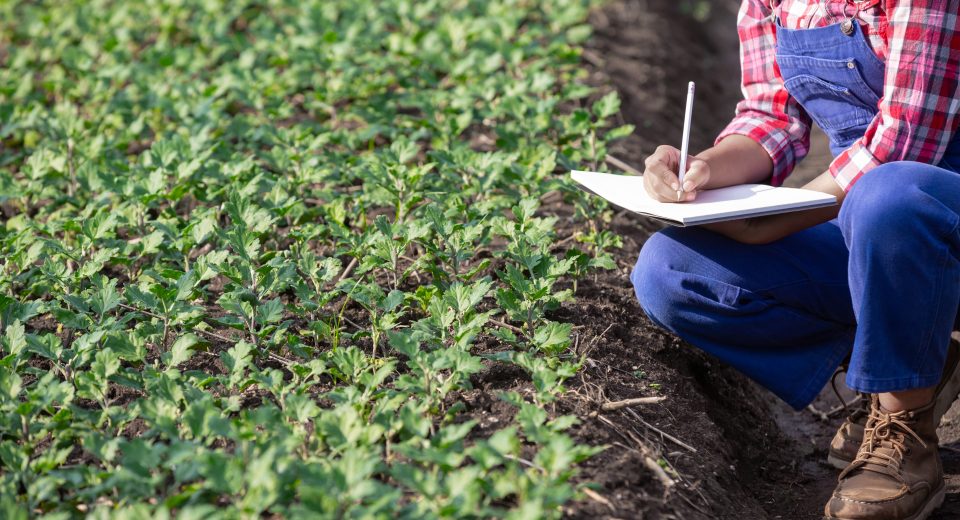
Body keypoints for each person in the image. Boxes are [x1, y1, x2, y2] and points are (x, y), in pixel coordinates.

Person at [631, 0, 960, 518]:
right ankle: (912, 359)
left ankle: (906, 432)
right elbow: (770, 117)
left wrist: (780, 220)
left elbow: (906, 144)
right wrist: (700, 172)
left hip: (926, 205)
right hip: (872, 218)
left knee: (890, 197)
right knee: (673, 272)